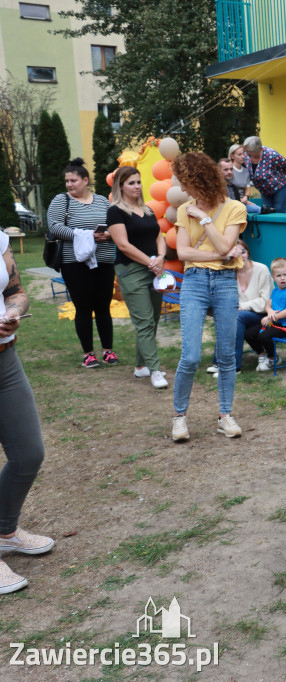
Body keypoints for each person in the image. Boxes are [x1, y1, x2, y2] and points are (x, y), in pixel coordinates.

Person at [170, 152, 247, 443]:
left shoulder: (235, 208)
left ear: (197, 181)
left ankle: (225, 415)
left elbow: (227, 242)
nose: (181, 189)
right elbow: (184, 253)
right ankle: (179, 418)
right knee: (189, 356)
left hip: (226, 283)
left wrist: (203, 219)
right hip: (195, 282)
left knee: (227, 355)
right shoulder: (182, 210)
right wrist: (219, 255)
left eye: (185, 182)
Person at [0, 229, 54, 593]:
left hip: (5, 358)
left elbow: (15, 291)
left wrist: (14, 312)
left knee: (28, 453)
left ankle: (5, 531)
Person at [45, 159, 118, 369]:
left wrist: (107, 235)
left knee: (103, 306)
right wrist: (86, 236)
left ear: (85, 180)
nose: (69, 184)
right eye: (67, 181)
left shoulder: (103, 201)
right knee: (83, 307)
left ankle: (108, 351)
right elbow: (55, 227)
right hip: (74, 262)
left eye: (74, 180)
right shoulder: (61, 200)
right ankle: (88, 354)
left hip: (104, 260)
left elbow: (115, 227)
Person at [106, 167, 169, 389]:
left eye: (138, 182)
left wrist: (161, 257)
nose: (137, 186)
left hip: (153, 270)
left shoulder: (148, 210)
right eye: (131, 183)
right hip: (131, 271)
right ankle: (155, 371)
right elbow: (123, 244)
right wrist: (151, 262)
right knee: (144, 322)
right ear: (120, 186)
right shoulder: (115, 211)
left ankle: (141, 366)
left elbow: (159, 236)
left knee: (153, 320)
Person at [207, 239, 272, 378]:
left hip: (260, 314)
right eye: (236, 252)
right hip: (239, 314)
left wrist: (243, 306)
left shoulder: (261, 269)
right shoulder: (230, 272)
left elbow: (265, 300)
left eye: (243, 251)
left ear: (248, 252)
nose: (241, 255)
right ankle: (218, 362)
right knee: (227, 316)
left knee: (236, 317)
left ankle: (232, 367)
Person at [243, 257, 286, 372]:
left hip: (283, 327)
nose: (282, 278)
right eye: (278, 275)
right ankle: (261, 353)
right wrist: (270, 312)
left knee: (263, 336)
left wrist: (271, 317)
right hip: (273, 323)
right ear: (273, 277)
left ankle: (273, 358)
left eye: (285, 274)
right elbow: (268, 305)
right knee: (248, 333)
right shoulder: (275, 291)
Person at [243, 136, 286, 214]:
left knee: (279, 211)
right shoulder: (246, 156)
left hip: (279, 185)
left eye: (249, 151)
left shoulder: (271, 154)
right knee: (267, 211)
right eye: (246, 150)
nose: (246, 152)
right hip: (264, 189)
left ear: (257, 150)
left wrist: (274, 173)